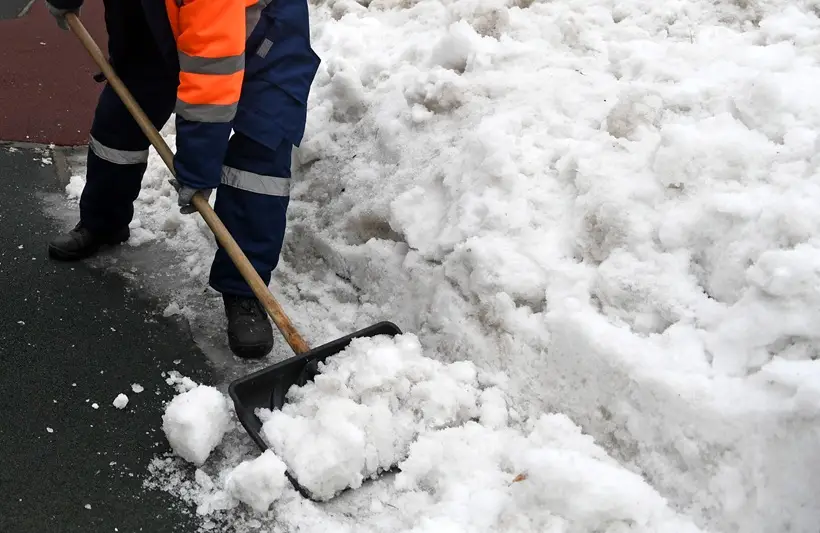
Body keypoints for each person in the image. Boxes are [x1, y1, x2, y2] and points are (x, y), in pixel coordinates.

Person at [43, 0, 321, 359]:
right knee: (123, 114)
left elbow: (212, 74)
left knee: (258, 157)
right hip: (161, 14)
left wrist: (197, 169)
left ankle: (244, 288)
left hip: (265, 34)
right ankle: (103, 222)